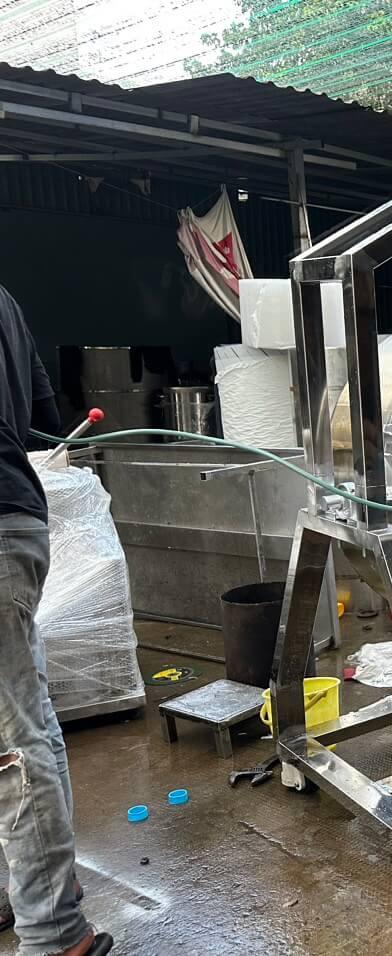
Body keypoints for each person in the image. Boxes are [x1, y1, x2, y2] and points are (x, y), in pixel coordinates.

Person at [0, 283, 112, 956]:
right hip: (16, 519)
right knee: (29, 719)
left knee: (13, 737)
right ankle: (40, 894)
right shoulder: (6, 302)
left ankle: (52, 931)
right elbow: (44, 422)